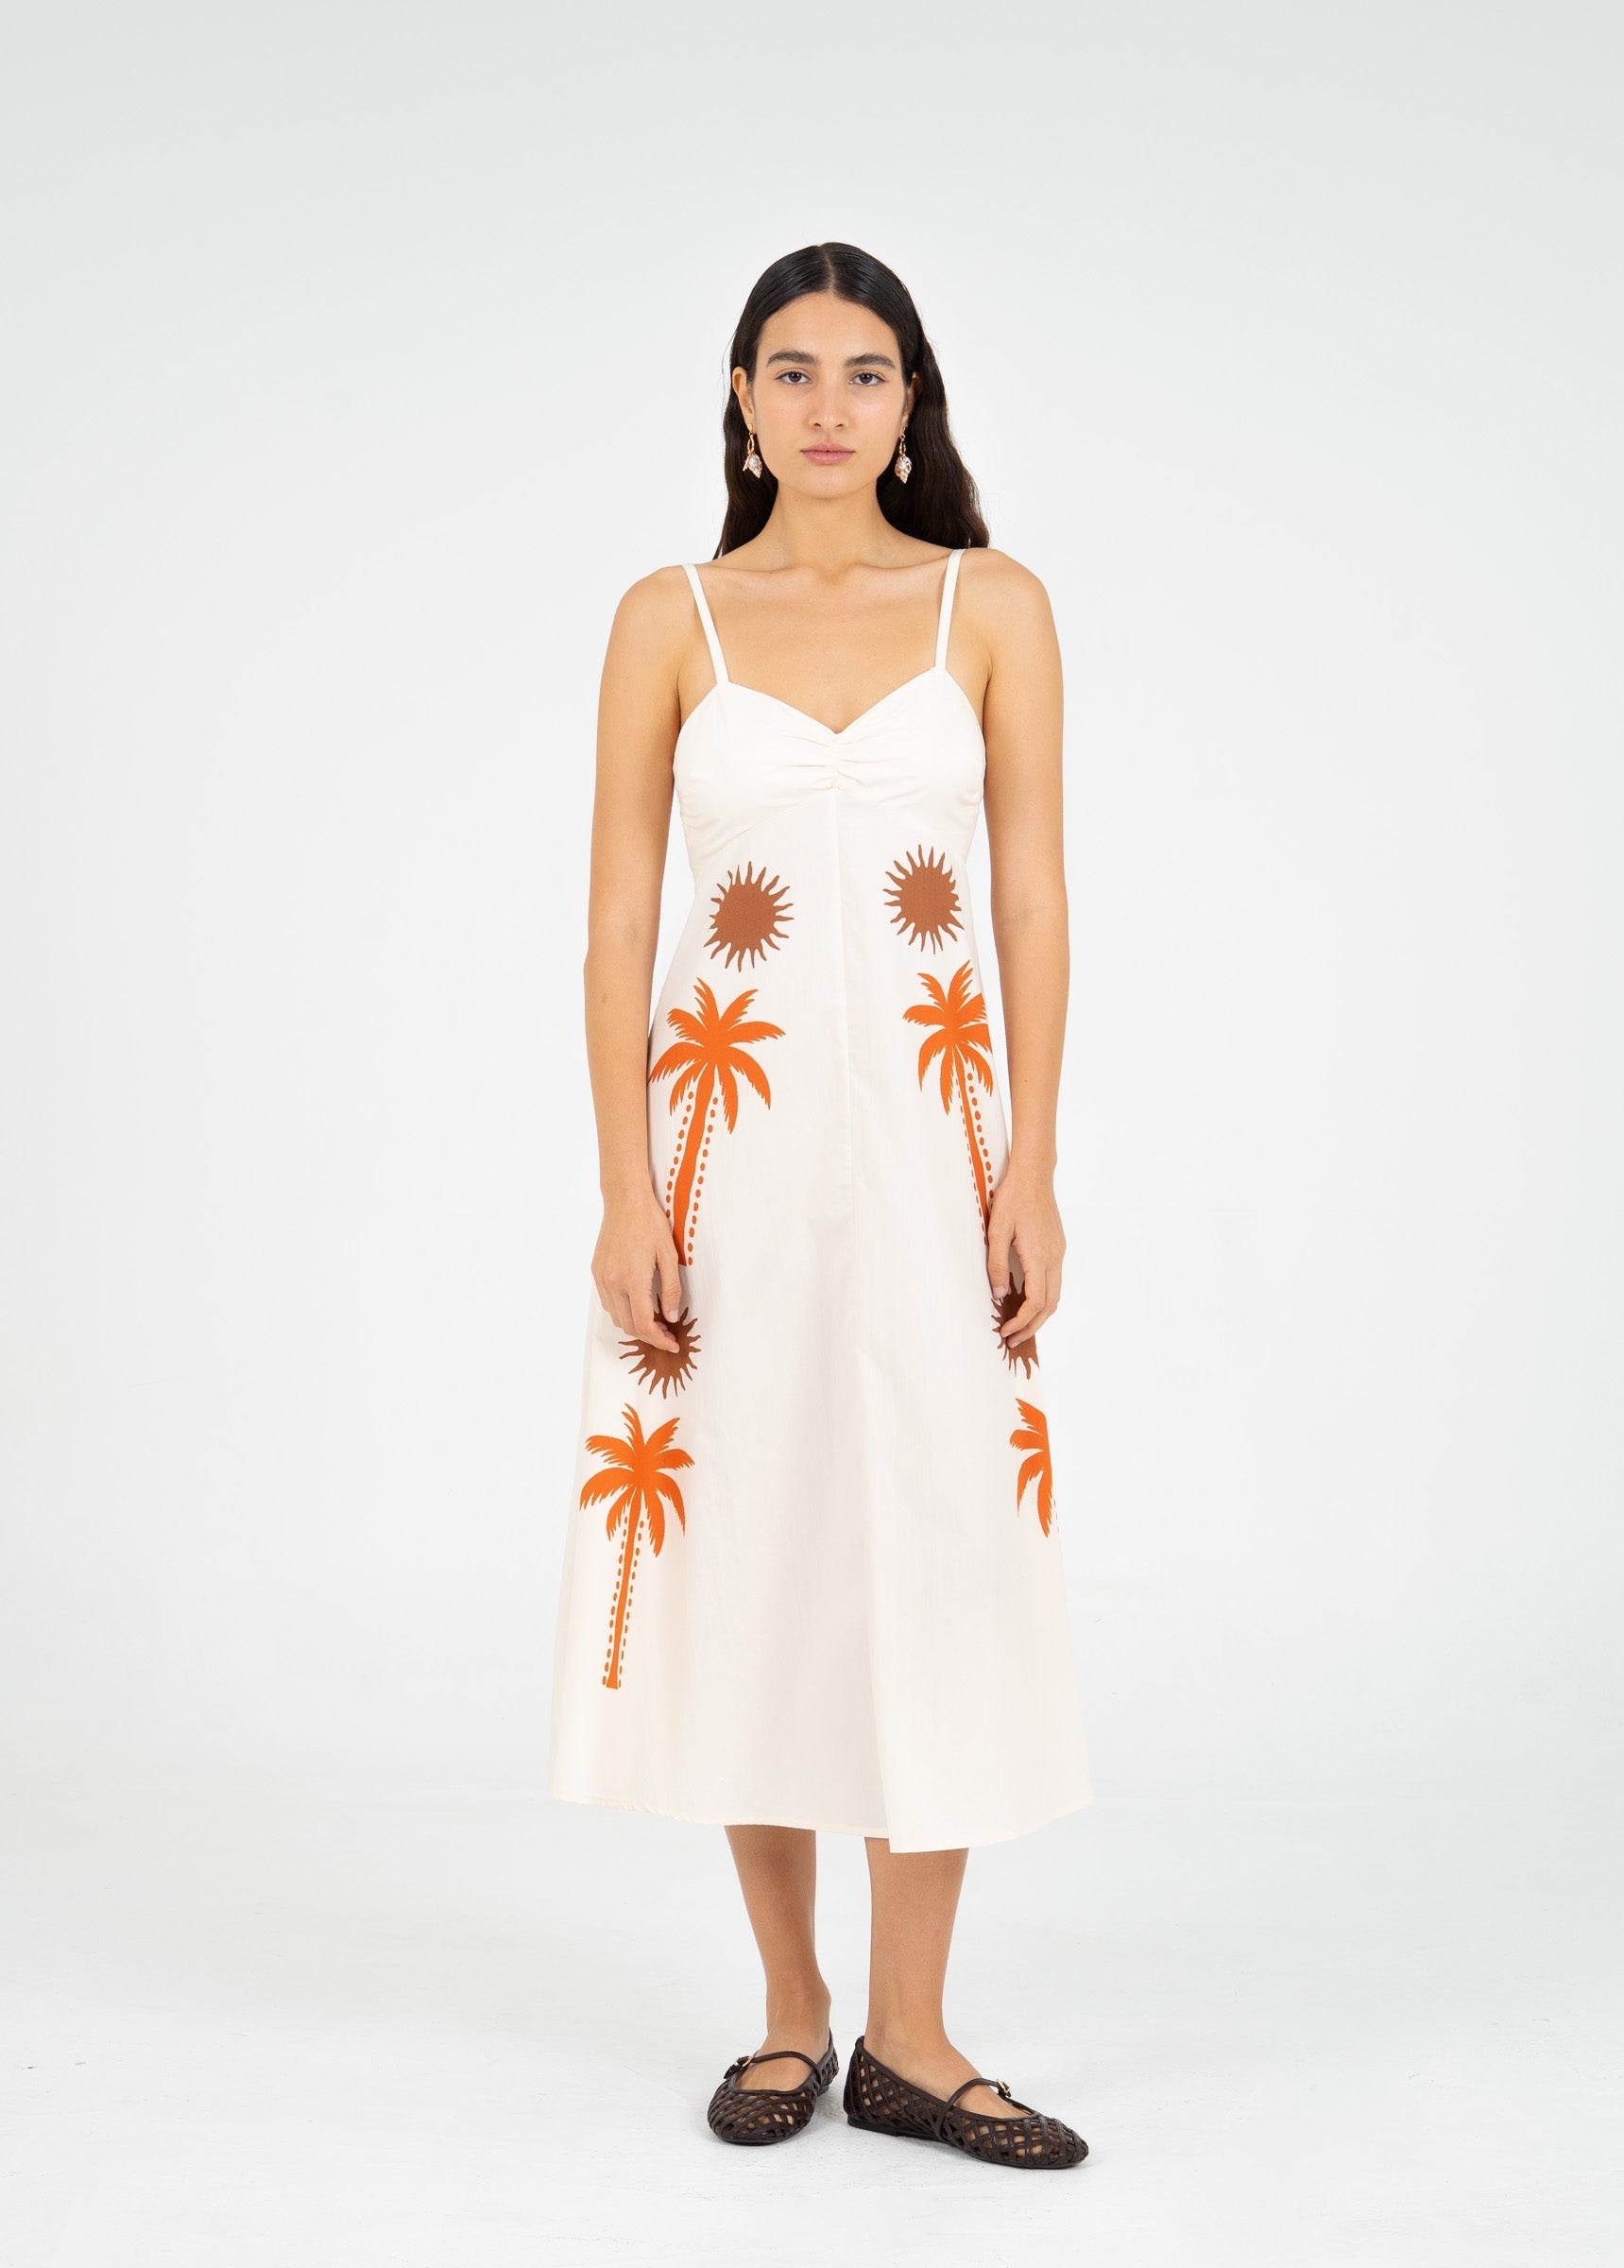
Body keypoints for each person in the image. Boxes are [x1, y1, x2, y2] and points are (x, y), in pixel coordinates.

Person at [547, 242, 1093, 2169]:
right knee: (756, 1549)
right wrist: (627, 1188)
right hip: (731, 1165)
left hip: (941, 1167)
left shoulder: (992, 607)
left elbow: (1030, 899)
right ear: (742, 399)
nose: (830, 406)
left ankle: (914, 2036)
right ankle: (792, 2011)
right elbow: (620, 921)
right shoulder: (671, 617)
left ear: (913, 400)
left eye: (867, 372)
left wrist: (1033, 1164)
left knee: (935, 1549)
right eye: (793, 370)